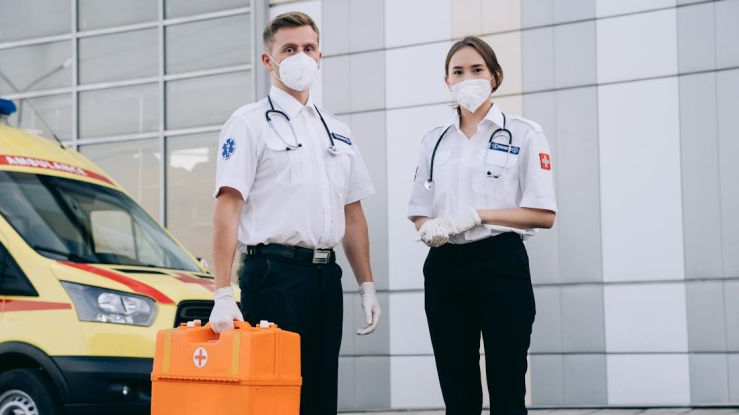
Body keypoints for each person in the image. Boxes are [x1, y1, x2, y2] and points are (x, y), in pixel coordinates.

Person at [208, 11, 381, 415]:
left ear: (320, 57)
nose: (300, 56)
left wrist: (367, 284)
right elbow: (227, 209)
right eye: (289, 49)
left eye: (308, 48)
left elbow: (352, 213)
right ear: (268, 60)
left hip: (326, 277)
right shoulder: (248, 124)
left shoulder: (336, 130)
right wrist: (220, 292)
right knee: (275, 399)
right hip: (274, 277)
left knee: (321, 397)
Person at [407, 36, 557, 415]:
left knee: (507, 387)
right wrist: (427, 227)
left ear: (495, 76)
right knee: (458, 391)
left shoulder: (524, 133)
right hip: (446, 267)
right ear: (447, 81)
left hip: (500, 263)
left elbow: (544, 213)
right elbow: (420, 208)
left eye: (477, 69)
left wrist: (480, 215)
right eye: (458, 71)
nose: (467, 77)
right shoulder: (434, 141)